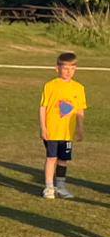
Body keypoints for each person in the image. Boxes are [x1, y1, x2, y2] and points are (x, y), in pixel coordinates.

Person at [40, 51, 87, 199]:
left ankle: (60, 187)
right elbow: (43, 107)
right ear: (57, 68)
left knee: (63, 159)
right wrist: (43, 127)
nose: (68, 72)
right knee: (51, 158)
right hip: (52, 130)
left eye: (72, 68)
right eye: (65, 68)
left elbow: (79, 110)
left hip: (67, 132)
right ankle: (49, 187)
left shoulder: (79, 88)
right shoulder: (50, 86)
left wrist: (80, 128)